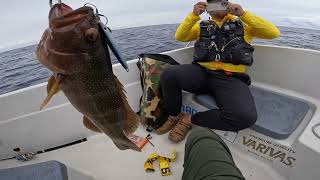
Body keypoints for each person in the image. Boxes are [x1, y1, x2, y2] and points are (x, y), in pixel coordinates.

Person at [155, 0, 280, 143]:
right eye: (212, 4)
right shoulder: (200, 27)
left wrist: (243, 14)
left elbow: (273, 33)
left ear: (228, 5)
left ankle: (188, 119)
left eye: (222, 3)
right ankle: (174, 114)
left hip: (231, 79)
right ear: (207, 9)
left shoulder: (245, 25)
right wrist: (194, 15)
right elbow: (180, 36)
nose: (217, 7)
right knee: (169, 74)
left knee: (245, 117)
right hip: (201, 73)